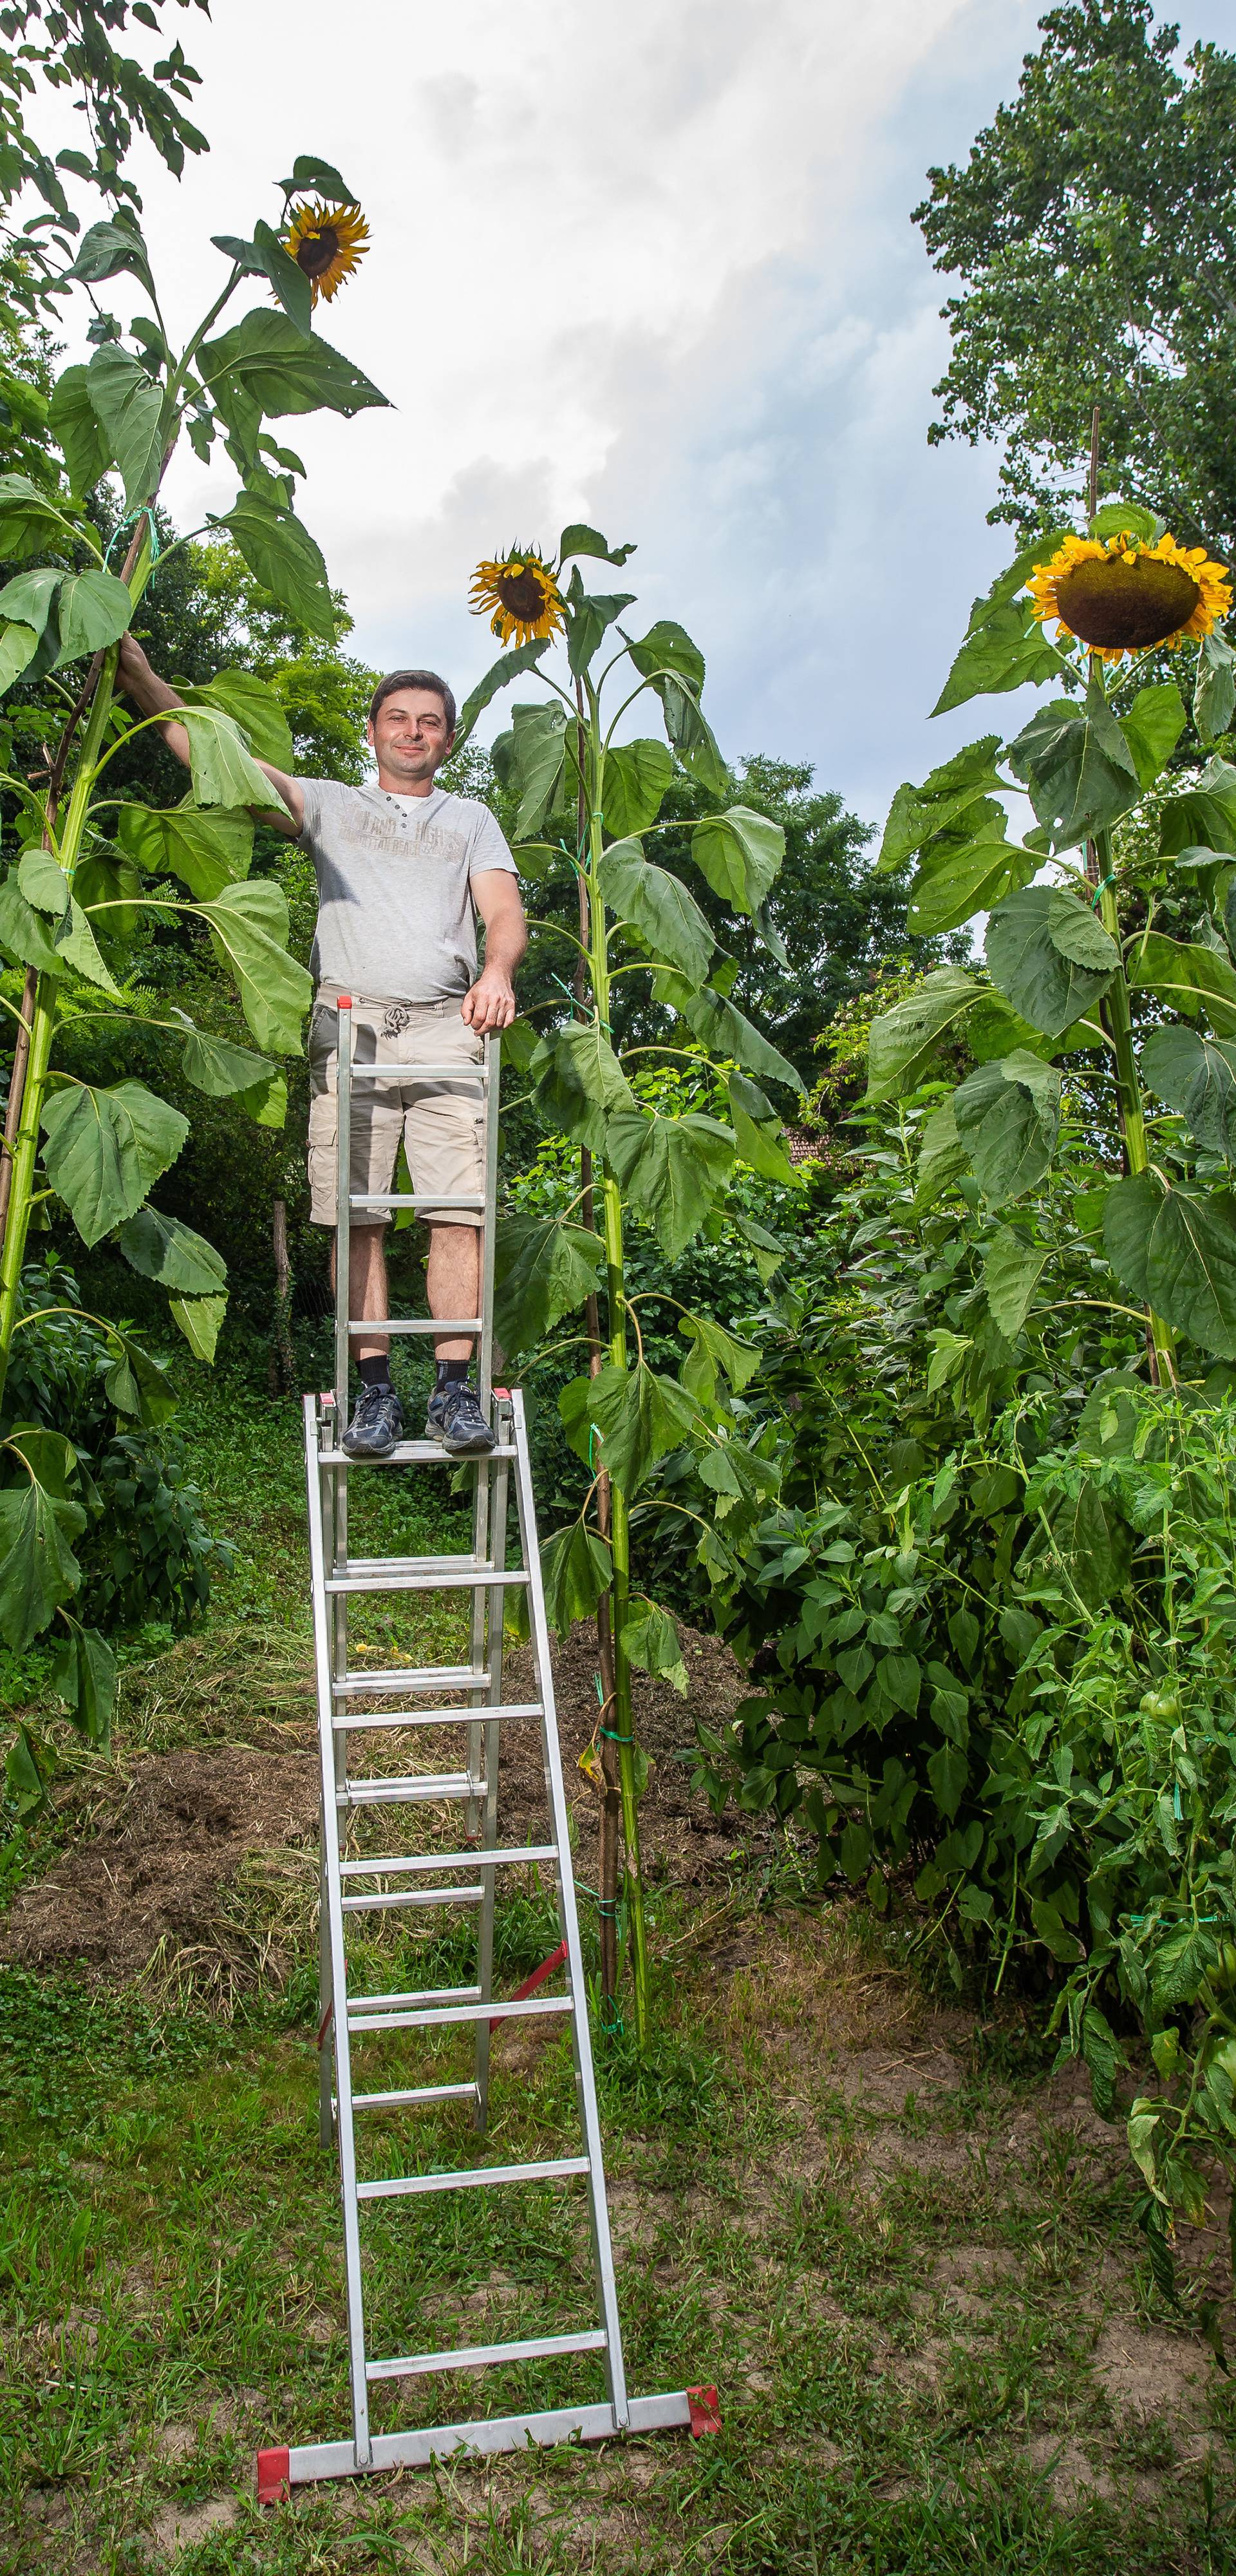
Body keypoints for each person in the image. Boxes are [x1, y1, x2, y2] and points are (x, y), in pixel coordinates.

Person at [116, 639, 527, 1461]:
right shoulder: (333, 805)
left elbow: (504, 909)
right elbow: (223, 760)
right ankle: (374, 1393)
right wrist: (143, 681)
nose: (414, 733)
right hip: (355, 1025)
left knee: (461, 1212)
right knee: (356, 1216)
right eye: (399, 720)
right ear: (372, 732)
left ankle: (454, 1395)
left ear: (447, 740)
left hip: (453, 1026)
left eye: (430, 724)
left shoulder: (470, 820)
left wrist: (498, 971)